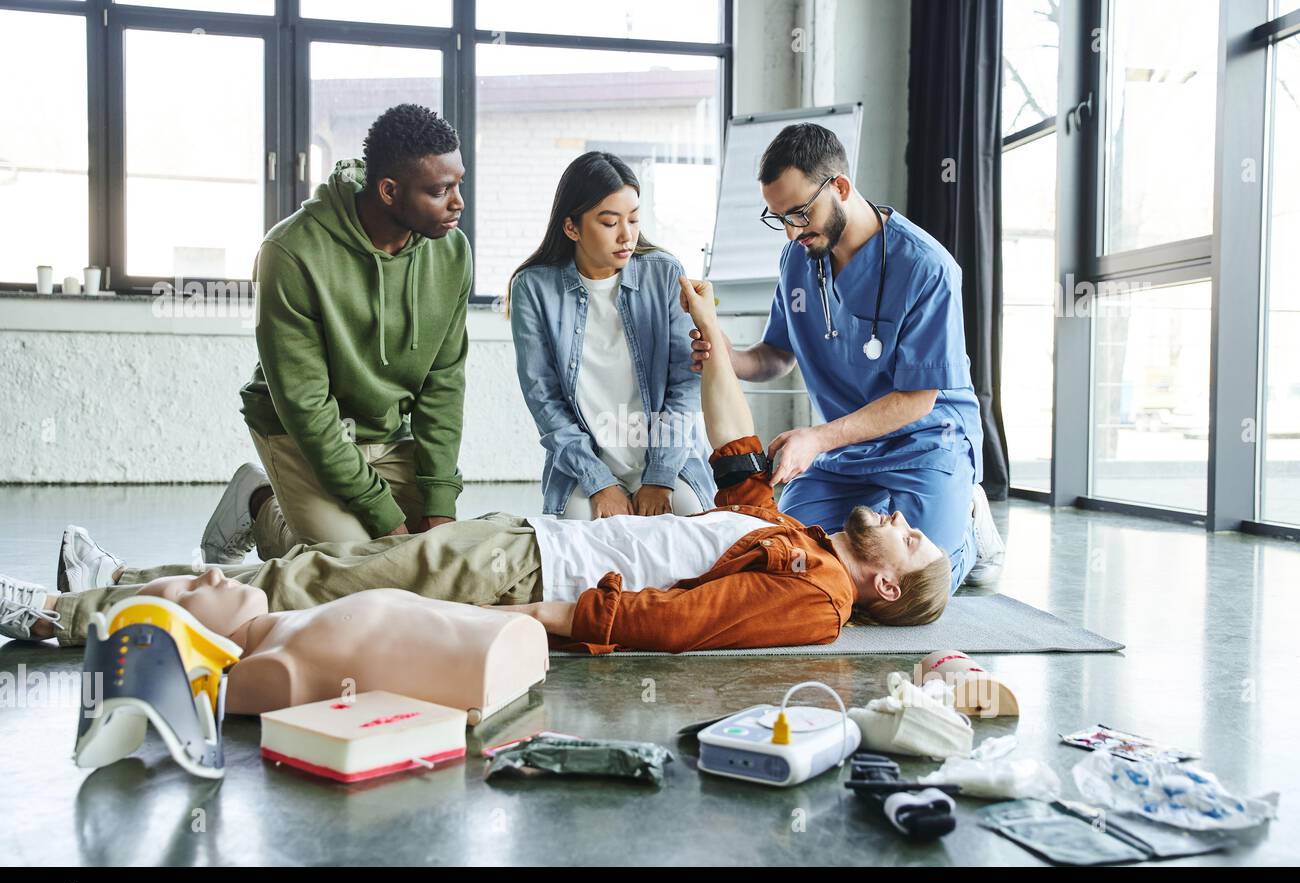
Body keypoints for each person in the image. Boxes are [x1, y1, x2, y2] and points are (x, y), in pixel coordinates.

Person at [0, 279, 952, 656]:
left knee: (302, 586)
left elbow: (680, 622)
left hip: (524, 576)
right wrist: (706, 324)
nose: (902, 518)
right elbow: (738, 451)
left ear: (884, 585)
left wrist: (533, 621)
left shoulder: (818, 598)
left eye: (910, 542)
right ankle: (115, 583)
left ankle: (57, 616)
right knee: (314, 573)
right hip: (526, 542)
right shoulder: (790, 535)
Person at [689, 123, 1005, 591]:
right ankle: (887, 515)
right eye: (779, 218)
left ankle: (970, 525)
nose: (792, 231)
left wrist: (816, 439)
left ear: (840, 186)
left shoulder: (927, 267)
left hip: (926, 443)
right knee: (791, 557)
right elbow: (777, 355)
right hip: (847, 451)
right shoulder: (798, 257)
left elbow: (917, 399)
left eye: (800, 213)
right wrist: (726, 355)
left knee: (918, 581)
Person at [202, 104, 473, 565]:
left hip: (387, 433)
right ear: (389, 191)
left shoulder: (452, 252)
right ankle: (259, 504)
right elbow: (306, 407)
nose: (458, 202)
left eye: (459, 184)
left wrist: (440, 501)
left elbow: (443, 382)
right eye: (440, 190)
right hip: (300, 434)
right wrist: (381, 512)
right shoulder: (290, 252)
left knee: (438, 560)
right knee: (355, 566)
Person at [508, 152, 715, 520]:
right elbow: (544, 399)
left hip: (666, 457)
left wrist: (660, 476)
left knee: (690, 521)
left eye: (633, 219)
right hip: (586, 463)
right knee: (579, 532)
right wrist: (598, 481)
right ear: (571, 227)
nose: (626, 235)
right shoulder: (533, 287)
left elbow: (685, 384)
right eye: (609, 222)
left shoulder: (665, 274)